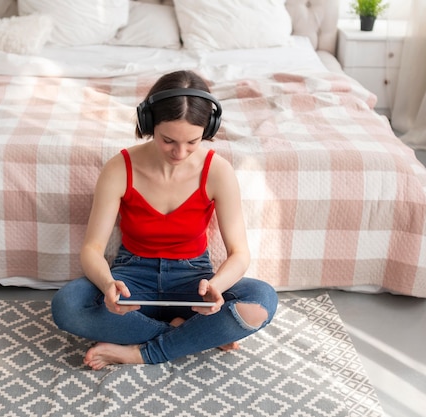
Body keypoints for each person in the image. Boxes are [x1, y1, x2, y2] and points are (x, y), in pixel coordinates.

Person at [51, 70, 278, 370]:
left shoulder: (218, 172)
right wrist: (108, 284)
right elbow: (92, 248)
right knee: (66, 305)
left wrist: (217, 287)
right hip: (132, 279)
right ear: (149, 124)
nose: (179, 152)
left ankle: (140, 352)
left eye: (192, 142)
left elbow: (240, 253)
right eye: (168, 140)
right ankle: (198, 336)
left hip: (194, 281)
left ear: (207, 130)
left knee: (262, 300)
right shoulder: (119, 168)